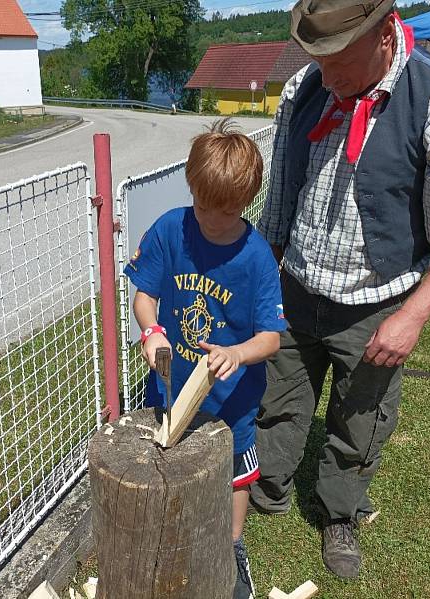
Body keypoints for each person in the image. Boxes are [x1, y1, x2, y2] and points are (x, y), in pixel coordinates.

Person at [252, 0, 430, 580]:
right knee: (279, 400)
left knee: (360, 419)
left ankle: (339, 511)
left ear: (386, 34)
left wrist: (410, 317)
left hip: (378, 298)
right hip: (298, 285)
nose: (327, 78)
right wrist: (267, 274)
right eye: (318, 61)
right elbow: (282, 197)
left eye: (340, 63)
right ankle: (266, 485)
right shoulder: (305, 87)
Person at [124, 118, 285, 599]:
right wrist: (152, 331)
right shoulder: (171, 230)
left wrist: (238, 351)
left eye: (227, 211)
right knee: (169, 463)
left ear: (246, 201)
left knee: (237, 471)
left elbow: (271, 338)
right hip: (170, 391)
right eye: (203, 205)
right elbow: (143, 294)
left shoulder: (256, 257)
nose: (212, 220)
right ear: (191, 187)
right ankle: (168, 538)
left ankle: (233, 544)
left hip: (232, 400)